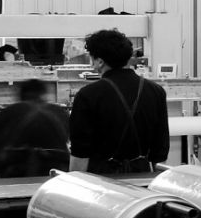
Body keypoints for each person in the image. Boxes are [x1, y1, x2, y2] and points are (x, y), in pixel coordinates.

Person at [67, 29, 169, 174]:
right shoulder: (156, 92)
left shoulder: (87, 96)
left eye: (92, 59)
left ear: (100, 61)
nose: (92, 65)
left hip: (100, 180)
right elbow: (160, 149)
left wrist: (74, 183)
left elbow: (80, 152)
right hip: (142, 177)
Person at [0, 79, 69, 178]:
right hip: (54, 176)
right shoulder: (59, 112)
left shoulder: (6, 114)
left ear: (21, 95)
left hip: (14, 176)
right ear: (44, 94)